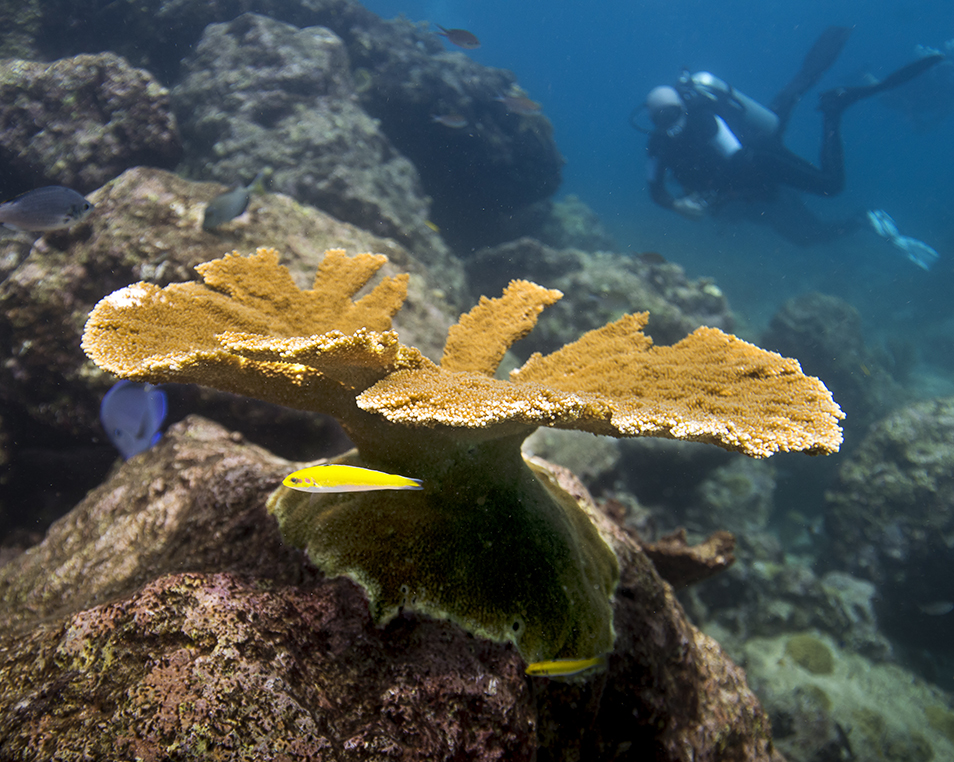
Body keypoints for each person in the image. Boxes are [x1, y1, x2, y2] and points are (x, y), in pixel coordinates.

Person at [644, 27, 944, 247]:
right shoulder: (658, 145)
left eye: (671, 115)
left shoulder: (703, 120)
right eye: (660, 120)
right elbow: (656, 190)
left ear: (681, 108)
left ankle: (833, 110)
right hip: (751, 179)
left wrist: (713, 194)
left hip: (758, 158)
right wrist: (677, 205)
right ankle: (862, 220)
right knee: (807, 236)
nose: (668, 125)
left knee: (830, 186)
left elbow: (737, 160)